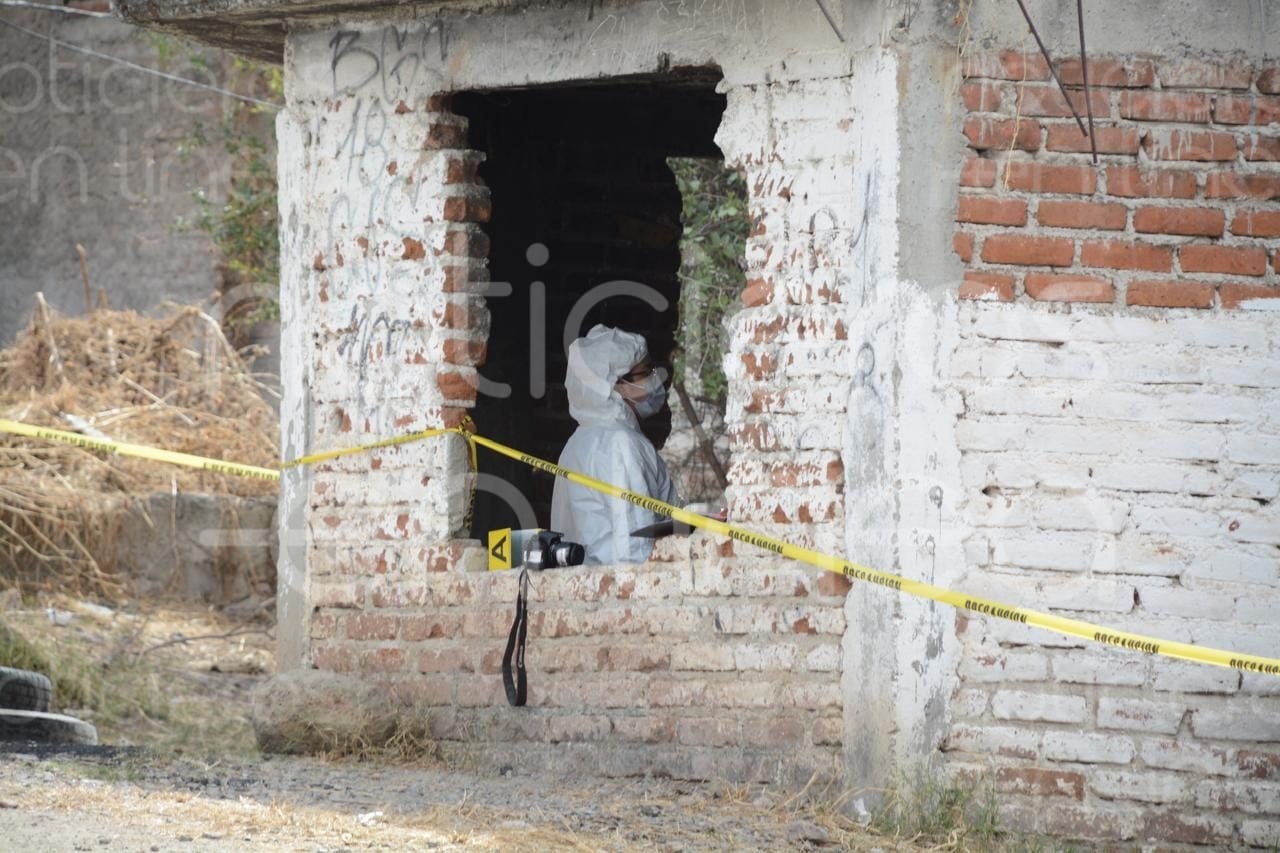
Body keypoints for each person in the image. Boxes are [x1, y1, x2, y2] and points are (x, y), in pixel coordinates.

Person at [550, 325, 679, 565]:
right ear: (617, 384)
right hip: (624, 594)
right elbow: (635, 548)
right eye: (646, 372)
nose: (655, 378)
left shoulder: (577, 443)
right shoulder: (622, 445)